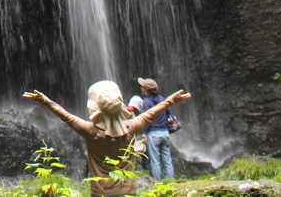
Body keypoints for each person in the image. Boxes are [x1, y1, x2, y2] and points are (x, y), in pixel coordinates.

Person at [23, 81, 191, 196]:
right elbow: (150, 114)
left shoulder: (90, 131)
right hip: (128, 191)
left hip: (99, 192)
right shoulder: (131, 128)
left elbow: (66, 116)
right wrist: (170, 101)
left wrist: (44, 101)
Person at [139, 77, 174, 180]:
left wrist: (144, 135)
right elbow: (168, 115)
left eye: (143, 87)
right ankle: (170, 181)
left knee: (155, 161)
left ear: (146, 90)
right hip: (165, 133)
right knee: (167, 160)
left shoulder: (146, 102)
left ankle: (158, 183)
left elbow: (147, 119)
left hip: (153, 134)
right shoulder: (162, 99)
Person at [125, 93, 149, 172]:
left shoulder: (143, 116)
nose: (132, 111)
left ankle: (147, 173)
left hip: (143, 142)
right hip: (132, 143)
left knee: (146, 160)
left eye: (134, 109)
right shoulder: (128, 116)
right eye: (130, 109)